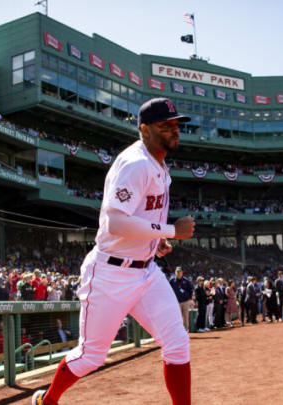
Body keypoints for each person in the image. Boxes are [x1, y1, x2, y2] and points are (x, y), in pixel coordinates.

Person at [32, 98, 195, 405]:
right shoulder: (135, 164)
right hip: (110, 273)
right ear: (144, 130)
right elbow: (116, 222)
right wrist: (172, 230)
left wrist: (154, 241)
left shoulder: (158, 162)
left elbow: (139, 216)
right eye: (166, 126)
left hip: (146, 270)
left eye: (176, 125)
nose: (174, 130)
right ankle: (48, 400)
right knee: (90, 356)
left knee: (177, 344)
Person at [169, 266, 193, 332]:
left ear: (182, 272)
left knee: (185, 316)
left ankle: (185, 331)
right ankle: (178, 331)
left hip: (185, 301)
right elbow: (169, 290)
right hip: (176, 301)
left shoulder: (186, 280)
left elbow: (190, 290)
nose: (178, 273)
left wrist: (190, 299)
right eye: (177, 272)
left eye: (180, 272)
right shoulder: (172, 281)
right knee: (177, 317)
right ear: (175, 272)